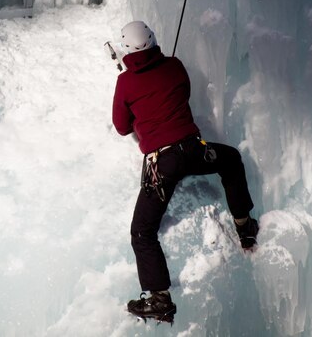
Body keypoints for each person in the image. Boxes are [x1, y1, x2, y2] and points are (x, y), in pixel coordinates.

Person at [111, 21, 258, 322]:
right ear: (153, 40)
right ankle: (244, 227)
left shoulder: (125, 83)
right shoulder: (174, 65)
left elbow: (122, 127)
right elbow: (184, 92)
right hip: (194, 150)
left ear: (126, 49)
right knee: (230, 160)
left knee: (142, 231)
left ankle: (159, 299)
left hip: (162, 165)